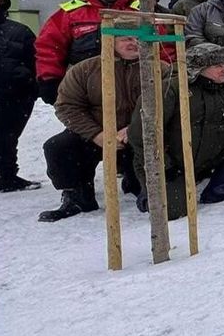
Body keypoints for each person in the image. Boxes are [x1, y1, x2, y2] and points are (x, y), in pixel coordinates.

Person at [130, 42, 224, 216]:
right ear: (199, 68)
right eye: (218, 65)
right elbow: (141, 133)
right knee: (174, 211)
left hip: (206, 155)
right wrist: (165, 164)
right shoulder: (170, 90)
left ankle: (218, 188)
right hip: (170, 162)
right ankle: (147, 193)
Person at [38, 29, 149, 221]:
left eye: (139, 38)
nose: (134, 43)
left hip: (139, 134)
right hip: (95, 133)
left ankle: (138, 182)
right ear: (109, 42)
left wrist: (134, 128)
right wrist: (97, 134)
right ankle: (77, 195)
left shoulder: (157, 69)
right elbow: (67, 106)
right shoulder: (84, 70)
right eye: (126, 38)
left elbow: (167, 105)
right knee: (58, 147)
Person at [35, 0, 136, 105]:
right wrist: (50, 79)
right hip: (84, 87)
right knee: (84, 125)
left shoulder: (137, 12)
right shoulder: (70, 13)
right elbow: (49, 47)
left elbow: (160, 44)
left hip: (132, 86)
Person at [0, 0, 39, 193]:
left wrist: (31, 85)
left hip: (13, 96)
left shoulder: (19, 31)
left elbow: (37, 60)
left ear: (0, 1)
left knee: (5, 139)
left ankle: (5, 177)